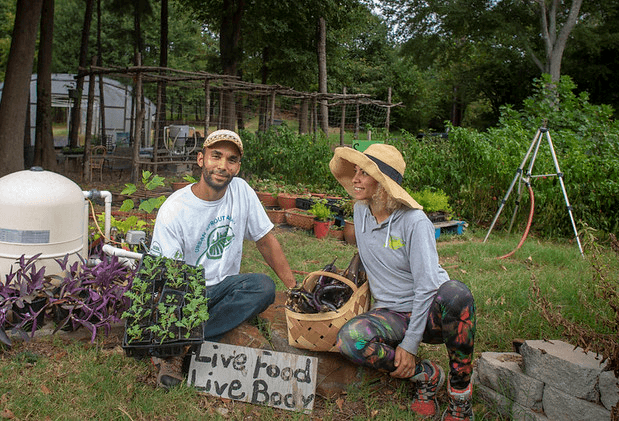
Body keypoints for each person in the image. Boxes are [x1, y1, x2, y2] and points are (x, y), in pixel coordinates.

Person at [329, 143, 476, 421]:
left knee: (458, 295)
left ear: (383, 183)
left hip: (432, 313)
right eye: (356, 171)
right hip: (391, 314)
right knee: (350, 340)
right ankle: (426, 374)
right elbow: (366, 257)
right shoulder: (361, 212)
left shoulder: (414, 222)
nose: (356, 178)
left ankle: (460, 394)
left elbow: (427, 287)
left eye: (365, 173)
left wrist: (409, 344)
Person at [148, 129, 297, 388]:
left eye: (231, 159)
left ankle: (183, 344)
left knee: (262, 287)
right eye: (216, 156)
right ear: (200, 160)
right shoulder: (175, 209)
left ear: (238, 167)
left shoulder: (241, 192)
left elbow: (265, 240)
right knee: (172, 300)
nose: (222, 165)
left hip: (223, 288)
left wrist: (294, 288)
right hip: (184, 293)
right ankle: (180, 343)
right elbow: (167, 276)